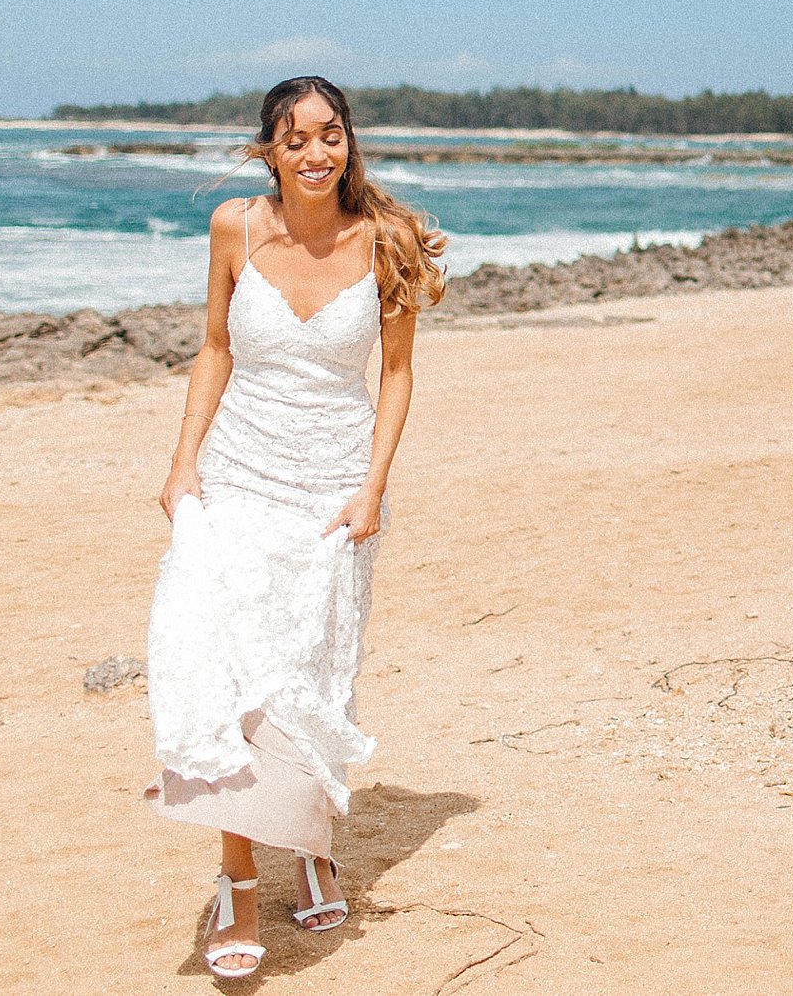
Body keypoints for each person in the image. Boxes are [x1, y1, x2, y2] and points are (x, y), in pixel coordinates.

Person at [144, 76, 447, 978]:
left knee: (312, 673)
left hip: (332, 486)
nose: (317, 154)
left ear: (349, 141)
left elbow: (395, 375)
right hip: (237, 474)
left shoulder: (384, 239)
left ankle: (310, 841)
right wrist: (181, 460)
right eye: (296, 140)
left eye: (331, 135)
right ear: (268, 151)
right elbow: (216, 346)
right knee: (228, 667)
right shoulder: (234, 227)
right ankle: (238, 876)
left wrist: (372, 486)